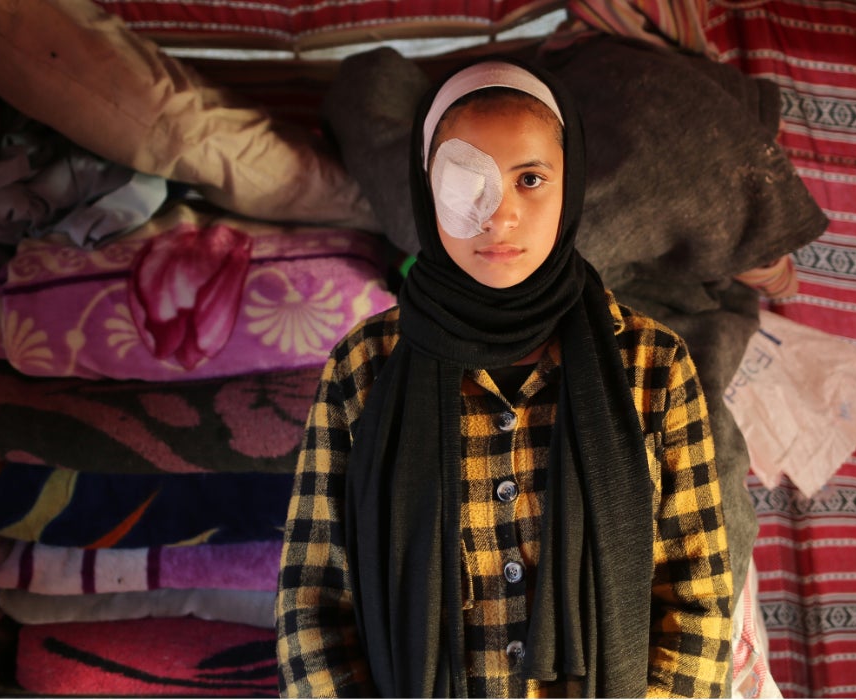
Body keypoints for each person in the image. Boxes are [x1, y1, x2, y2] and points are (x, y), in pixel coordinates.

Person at [275, 56, 733, 698]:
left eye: (530, 178)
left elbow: (698, 599)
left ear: (571, 184)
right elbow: (313, 603)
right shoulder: (366, 368)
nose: (501, 214)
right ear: (426, 187)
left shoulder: (652, 365)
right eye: (466, 179)